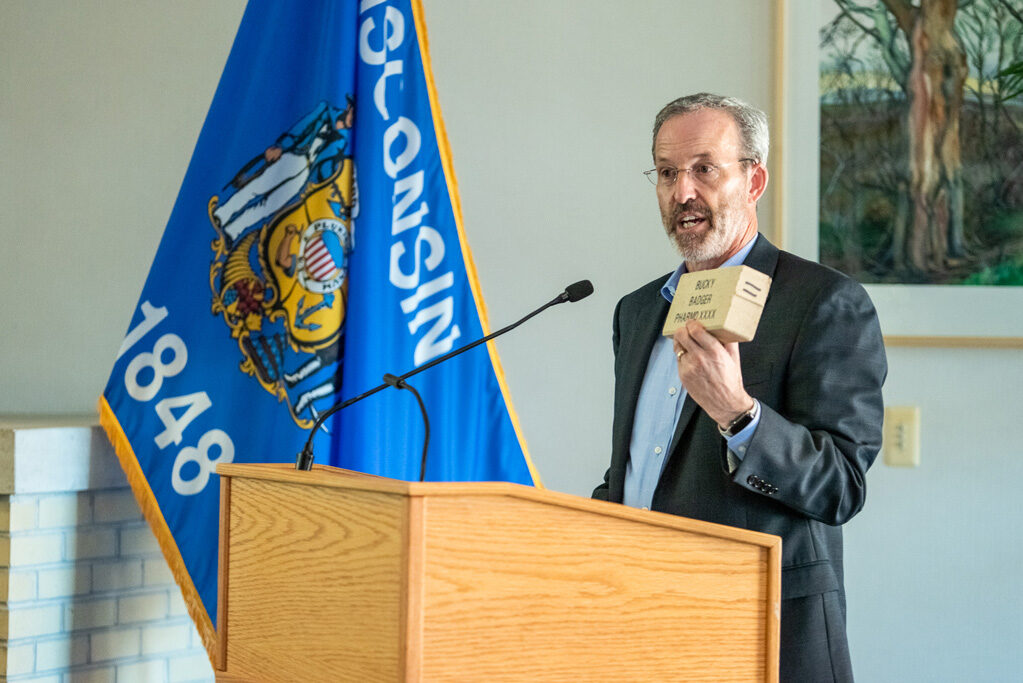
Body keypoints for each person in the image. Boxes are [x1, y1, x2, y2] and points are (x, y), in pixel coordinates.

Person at [592, 93, 887, 682]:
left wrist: (739, 415)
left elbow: (840, 487)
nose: (683, 193)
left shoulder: (824, 302)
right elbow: (638, 474)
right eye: (668, 173)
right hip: (643, 624)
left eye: (705, 169)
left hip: (763, 633)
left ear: (754, 181)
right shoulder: (637, 311)